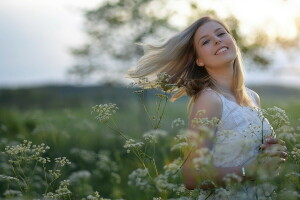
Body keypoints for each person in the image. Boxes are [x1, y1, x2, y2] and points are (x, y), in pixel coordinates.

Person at [128, 16, 287, 199]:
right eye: (206, 41)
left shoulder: (253, 97)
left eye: (221, 33)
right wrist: (250, 171)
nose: (217, 40)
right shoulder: (209, 99)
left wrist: (272, 154)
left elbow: (257, 160)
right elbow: (191, 177)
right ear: (199, 60)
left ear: (232, 40)